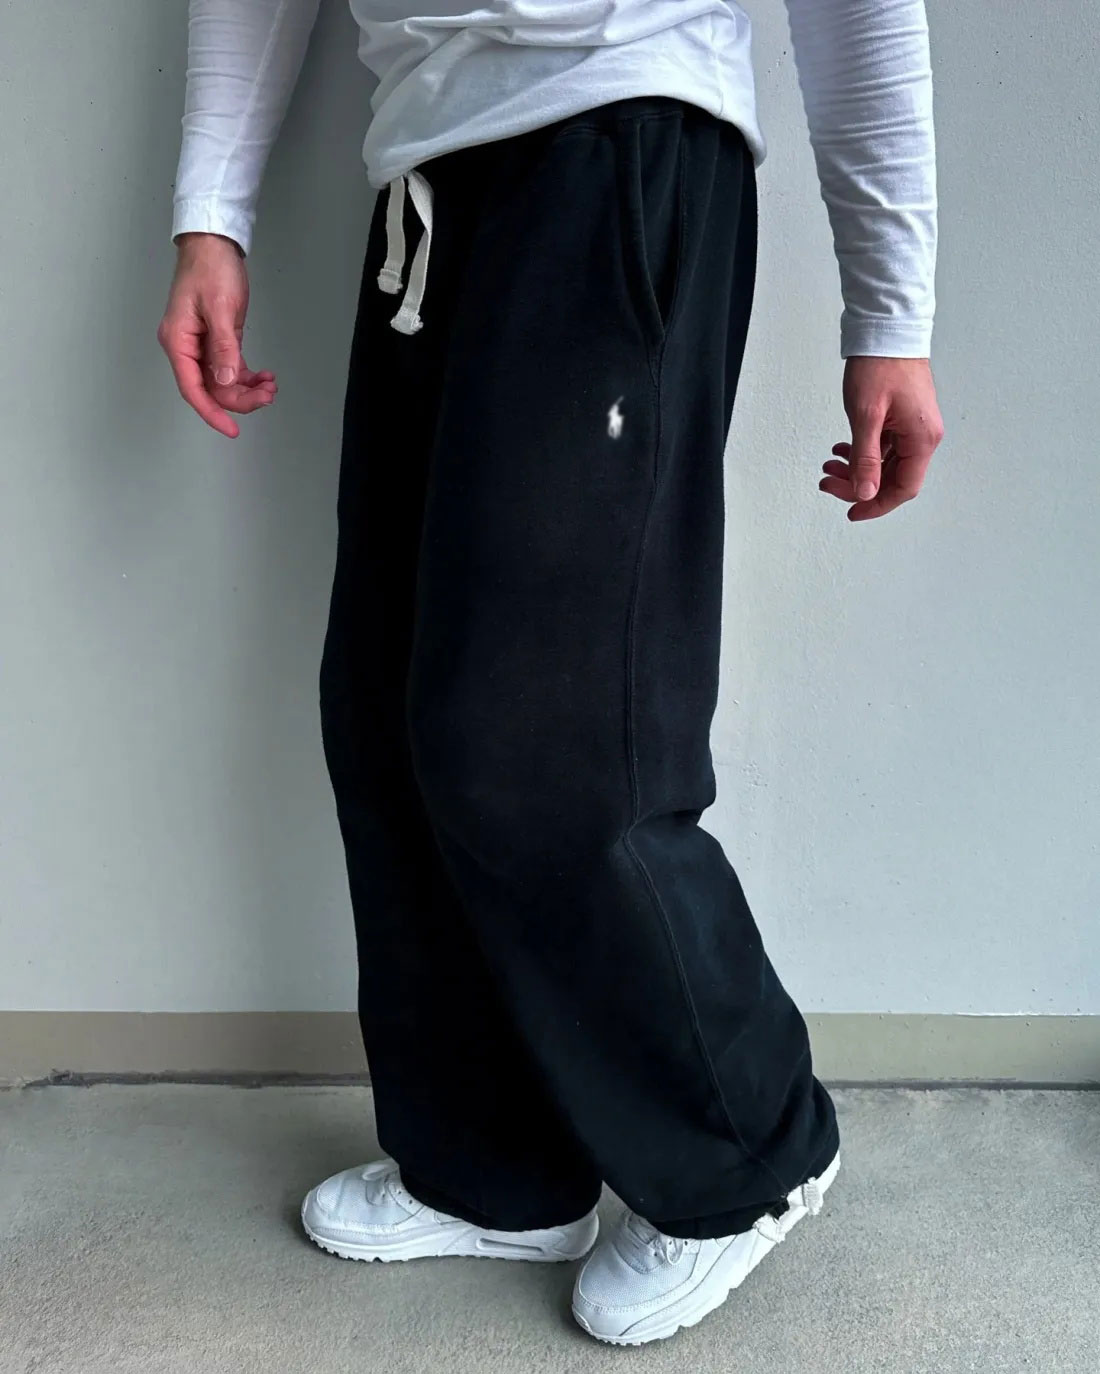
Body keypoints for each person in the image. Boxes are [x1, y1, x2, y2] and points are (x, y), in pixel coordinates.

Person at [159, 0, 942, 1347]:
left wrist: (892, 312)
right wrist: (209, 213)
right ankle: (493, 1169)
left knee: (555, 732)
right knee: (389, 712)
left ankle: (750, 1150)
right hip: (424, 178)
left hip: (619, 134)